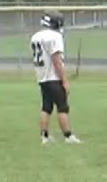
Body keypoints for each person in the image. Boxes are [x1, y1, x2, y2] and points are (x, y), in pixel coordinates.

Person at [31, 10, 81, 145]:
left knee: (46, 107)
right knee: (62, 107)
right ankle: (68, 136)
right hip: (53, 76)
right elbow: (56, 59)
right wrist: (64, 80)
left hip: (42, 76)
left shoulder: (36, 36)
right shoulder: (54, 36)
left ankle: (44, 136)